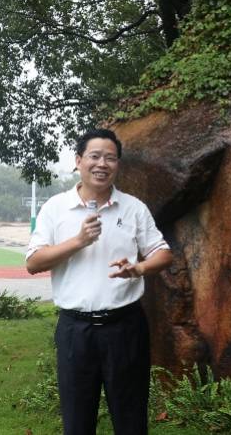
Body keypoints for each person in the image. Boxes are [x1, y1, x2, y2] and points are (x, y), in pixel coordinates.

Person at [26, 128, 173, 435]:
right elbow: (34, 262)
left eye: (110, 158)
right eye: (94, 156)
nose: (102, 164)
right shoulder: (56, 208)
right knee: (77, 420)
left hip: (125, 328)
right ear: (78, 161)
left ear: (118, 165)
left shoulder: (133, 208)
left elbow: (163, 254)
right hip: (75, 331)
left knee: (131, 418)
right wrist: (78, 241)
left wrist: (138, 268)